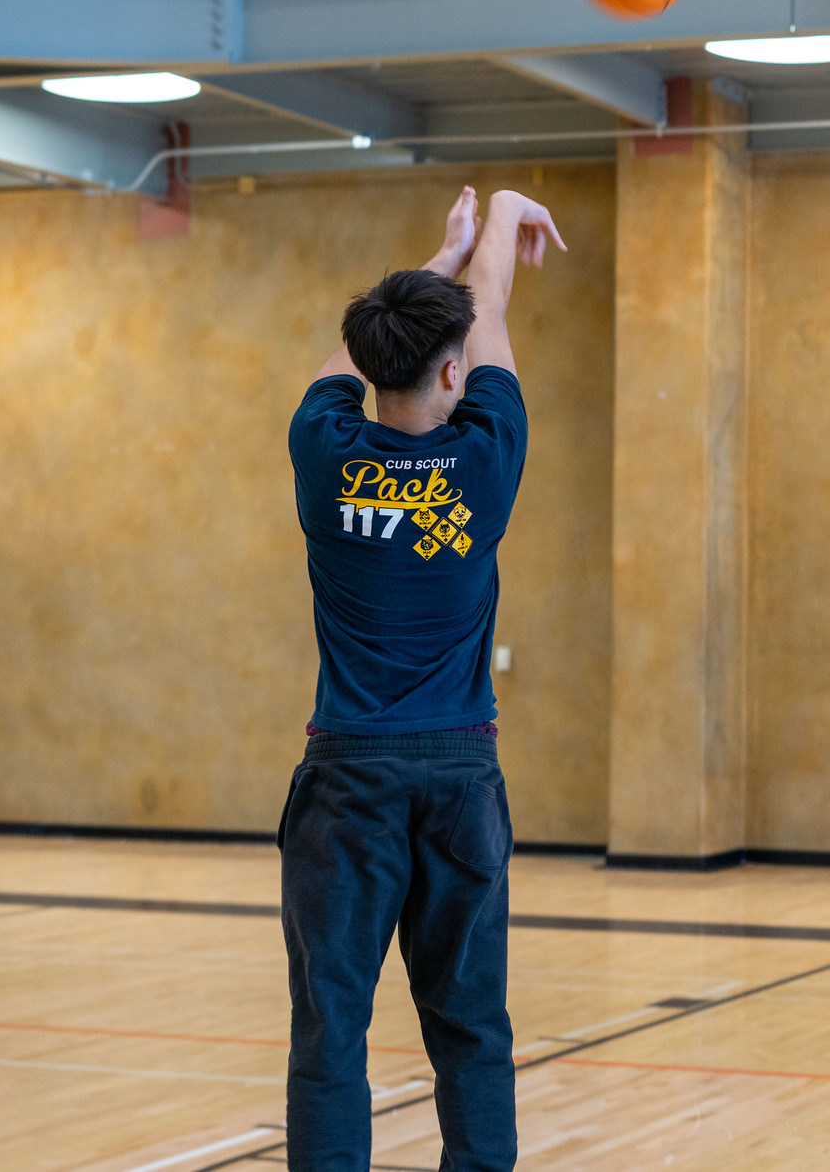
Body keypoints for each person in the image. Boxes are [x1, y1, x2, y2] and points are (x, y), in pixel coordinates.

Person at [281, 185, 561, 1171]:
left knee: (330, 1036)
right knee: (471, 1028)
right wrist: (495, 228)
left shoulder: (323, 453)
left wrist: (437, 261)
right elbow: (488, 318)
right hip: (456, 779)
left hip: (347, 780)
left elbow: (348, 360)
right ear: (453, 370)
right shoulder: (484, 463)